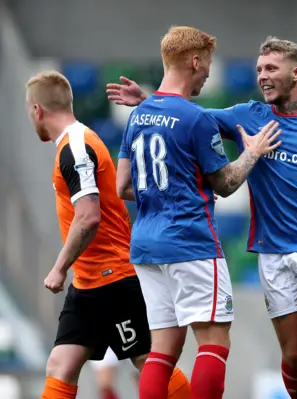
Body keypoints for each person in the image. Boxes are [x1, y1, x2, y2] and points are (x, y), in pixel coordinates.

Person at [107, 36, 297, 399]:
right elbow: (191, 120)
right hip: (272, 250)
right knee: (294, 356)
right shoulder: (247, 116)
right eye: (258, 70)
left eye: (271, 69)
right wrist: (148, 103)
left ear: (296, 72)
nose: (262, 76)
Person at [115, 26, 281, 399]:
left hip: (145, 246)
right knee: (214, 342)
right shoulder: (197, 119)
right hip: (191, 243)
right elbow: (225, 183)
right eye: (206, 64)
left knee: (162, 351)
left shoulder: (138, 117)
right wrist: (252, 152)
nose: (207, 72)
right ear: (193, 61)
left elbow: (122, 187)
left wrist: (161, 192)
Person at [25, 71, 191, 399]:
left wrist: (59, 267)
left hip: (113, 278)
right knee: (61, 364)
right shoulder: (75, 144)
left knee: (148, 361)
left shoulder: (76, 148)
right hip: (88, 284)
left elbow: (88, 217)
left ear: (37, 111)